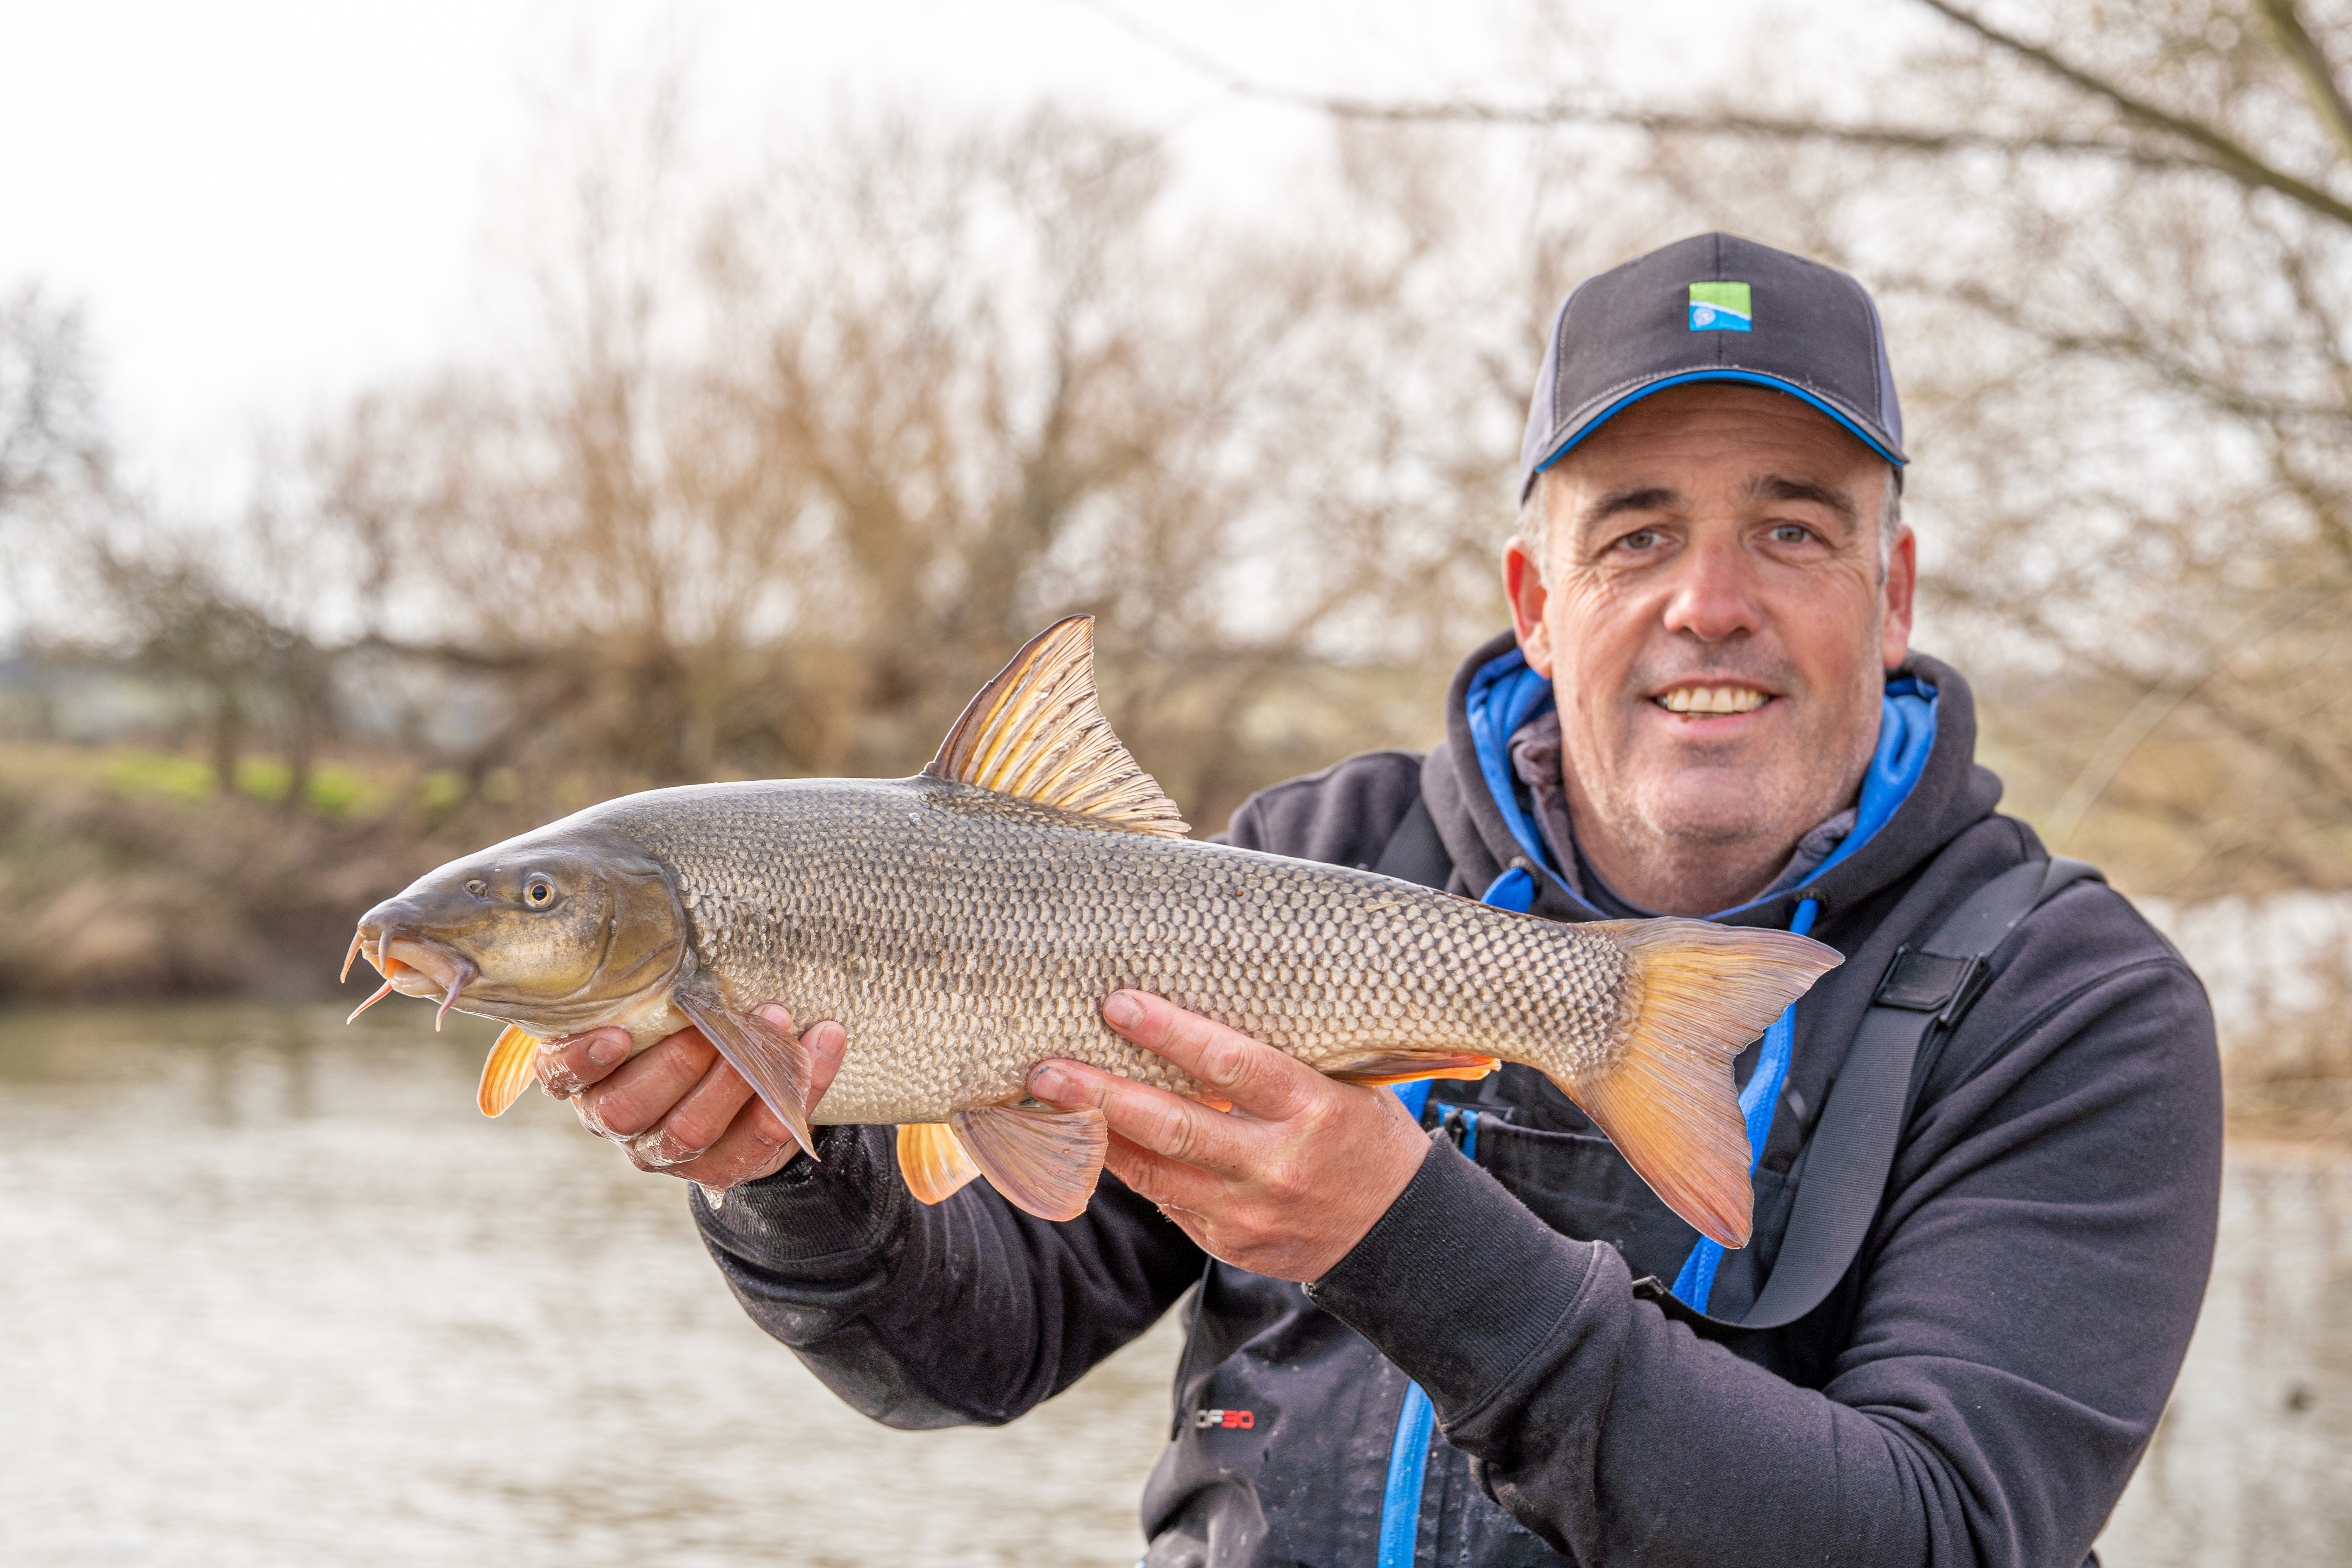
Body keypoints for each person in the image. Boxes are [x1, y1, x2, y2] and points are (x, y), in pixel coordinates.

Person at [534, 233, 2222, 1566]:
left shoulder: (2071, 1004)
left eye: (1791, 531)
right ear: (1536, 599)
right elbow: (977, 1349)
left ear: (1893, 591)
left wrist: (1400, 1237)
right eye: (1634, 536)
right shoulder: (1304, 861)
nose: (1710, 601)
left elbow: (1945, 1537)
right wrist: (783, 1173)